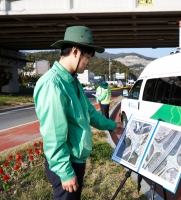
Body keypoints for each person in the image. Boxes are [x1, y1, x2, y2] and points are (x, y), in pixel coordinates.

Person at [33, 25, 122, 200]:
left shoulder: (72, 81)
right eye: (87, 57)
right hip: (66, 163)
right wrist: (65, 172)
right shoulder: (54, 84)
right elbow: (53, 133)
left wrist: (113, 125)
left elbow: (90, 113)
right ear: (75, 51)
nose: (88, 61)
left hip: (75, 160)